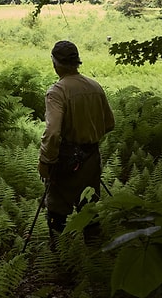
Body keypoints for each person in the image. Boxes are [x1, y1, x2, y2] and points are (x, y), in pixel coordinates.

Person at [37, 40, 115, 250]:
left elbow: (53, 132)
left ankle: (61, 257)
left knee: (57, 210)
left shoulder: (57, 92)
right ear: (77, 61)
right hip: (91, 158)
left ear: (55, 63)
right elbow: (109, 124)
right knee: (89, 208)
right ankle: (94, 257)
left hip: (65, 162)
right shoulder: (95, 86)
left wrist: (46, 161)